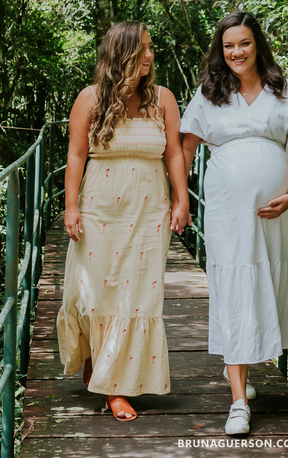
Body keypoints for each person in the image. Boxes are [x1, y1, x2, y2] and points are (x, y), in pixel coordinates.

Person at [180, 11, 288, 436]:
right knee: (236, 284)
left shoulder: (282, 88)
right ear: (221, 51)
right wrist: (178, 198)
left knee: (265, 284)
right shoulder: (209, 93)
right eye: (228, 46)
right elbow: (185, 148)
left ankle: (241, 365)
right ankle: (238, 399)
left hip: (275, 210)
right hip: (227, 209)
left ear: (258, 45)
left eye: (244, 43)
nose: (236, 52)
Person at [57, 22, 191, 421]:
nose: (150, 56)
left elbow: (174, 155)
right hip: (99, 210)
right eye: (142, 49)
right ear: (121, 54)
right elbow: (77, 155)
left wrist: (182, 199)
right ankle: (95, 356)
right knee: (92, 292)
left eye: (151, 48)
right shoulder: (89, 99)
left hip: (149, 211)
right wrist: (71, 206)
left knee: (135, 296)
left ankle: (115, 386)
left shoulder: (163, 99)